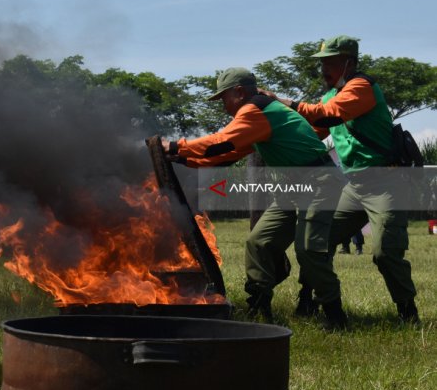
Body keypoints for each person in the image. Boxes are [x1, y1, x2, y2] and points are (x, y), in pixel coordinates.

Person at [163, 67, 347, 328]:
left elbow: (221, 141)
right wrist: (182, 158)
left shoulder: (256, 110)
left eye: (223, 98)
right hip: (296, 184)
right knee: (259, 242)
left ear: (239, 92)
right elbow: (227, 154)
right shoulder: (260, 114)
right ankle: (260, 309)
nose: (223, 106)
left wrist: (173, 146)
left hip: (320, 181)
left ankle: (335, 316)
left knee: (308, 250)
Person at [261, 35, 419, 324]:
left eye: (330, 63)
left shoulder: (362, 87)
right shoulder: (327, 97)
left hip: (385, 183)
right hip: (353, 186)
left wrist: (278, 99)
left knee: (385, 253)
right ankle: (309, 300)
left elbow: (328, 116)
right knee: (315, 244)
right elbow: (312, 132)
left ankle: (408, 313)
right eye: (322, 63)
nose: (324, 69)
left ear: (349, 62)